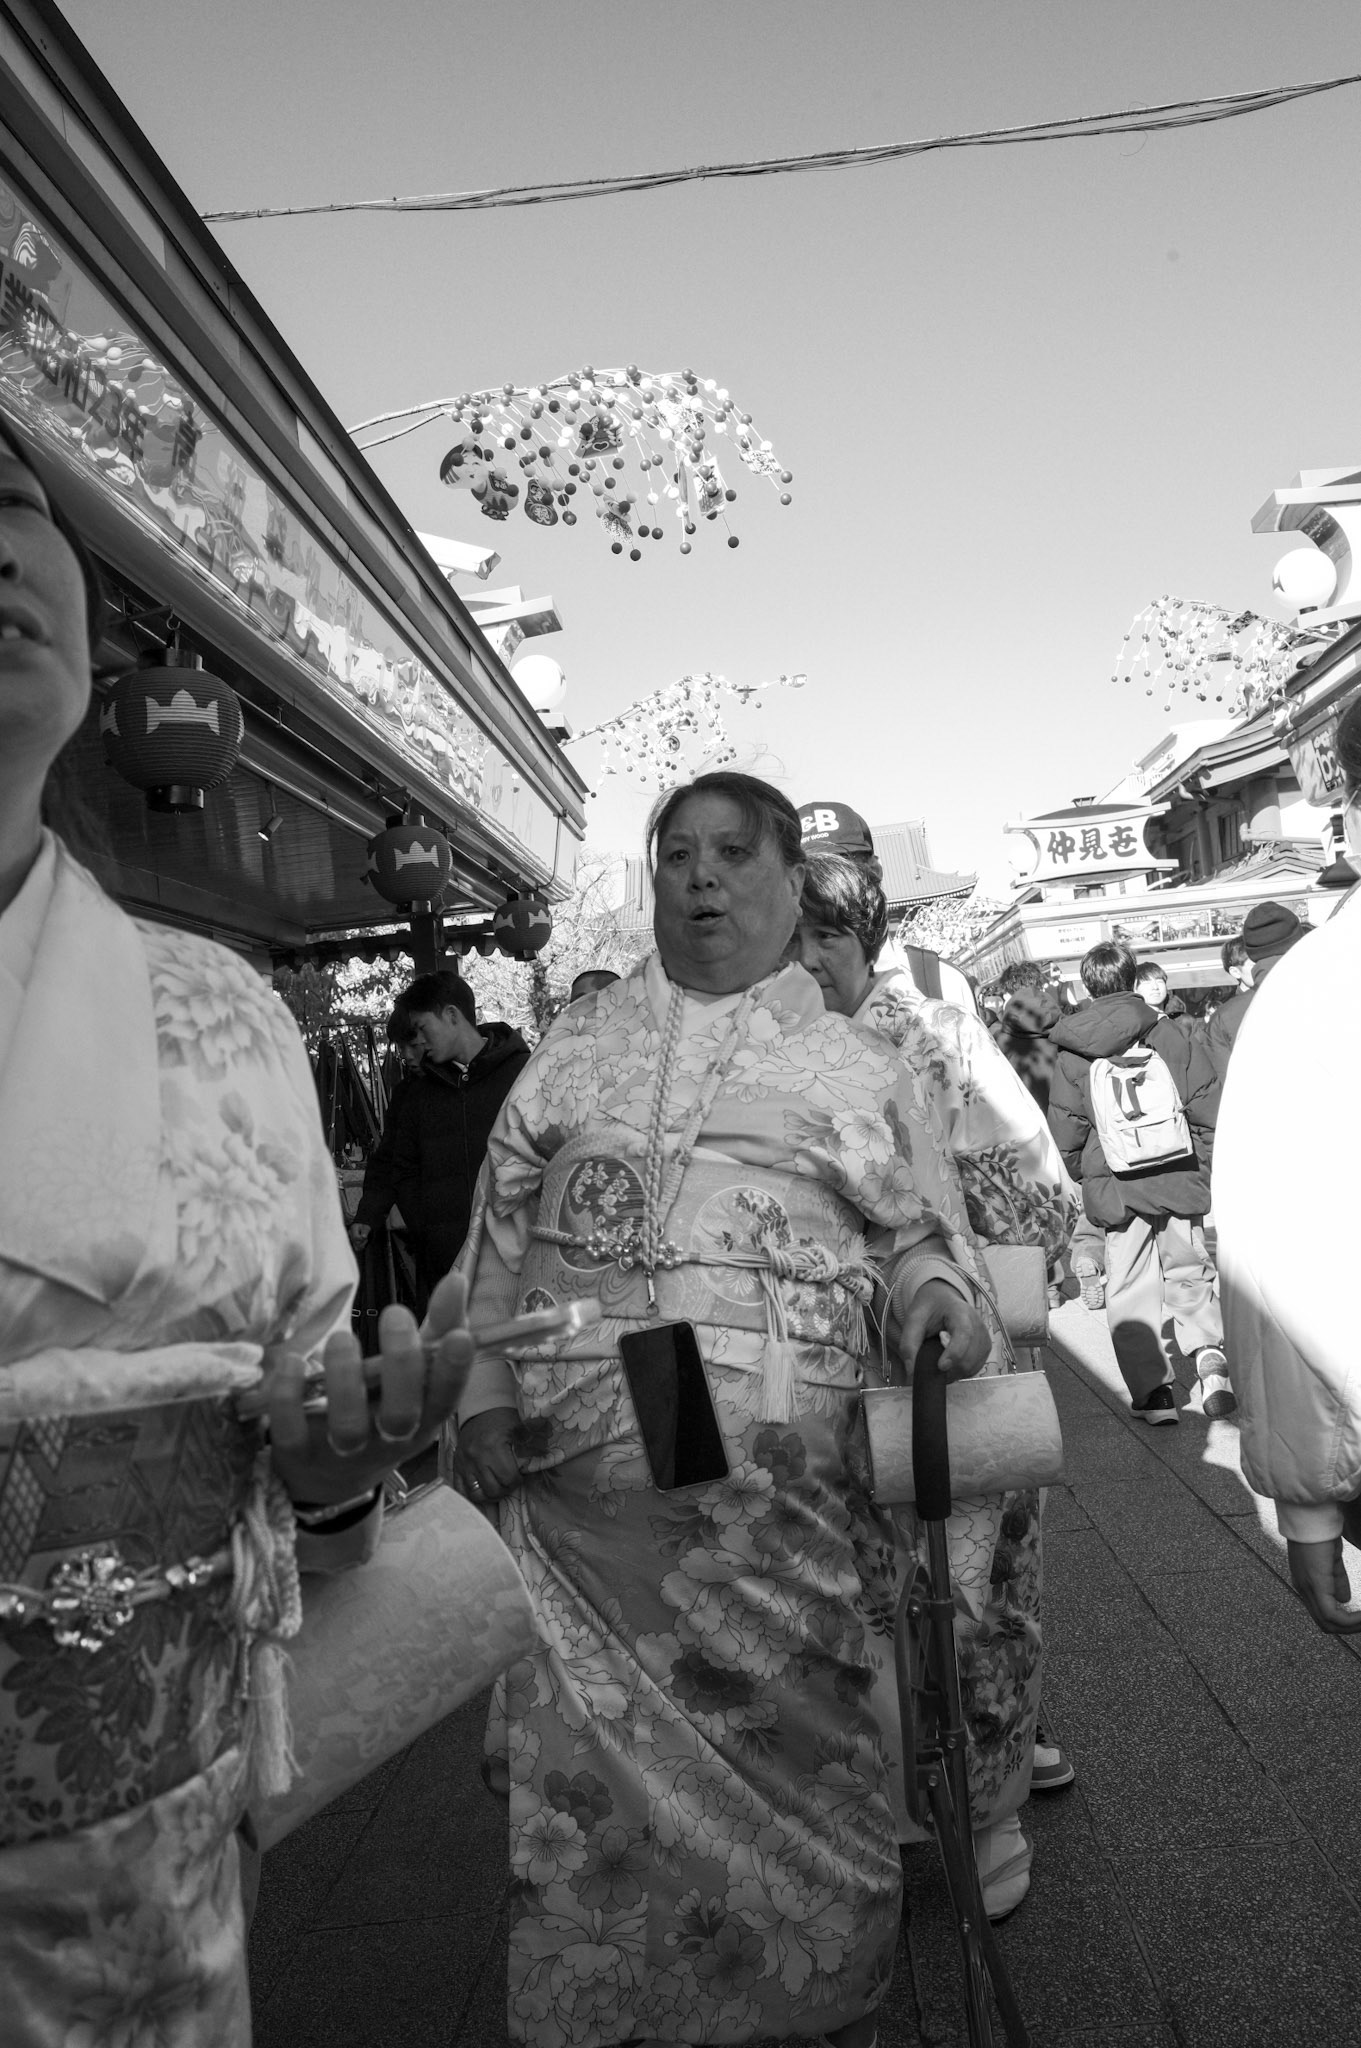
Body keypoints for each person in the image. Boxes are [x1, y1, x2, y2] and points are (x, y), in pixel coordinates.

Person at [0, 417, 472, 2043]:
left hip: (162, 1830)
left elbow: (297, 1409)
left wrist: (343, 1459)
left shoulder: (219, 1006)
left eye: (20, 503)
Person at [453, 772, 993, 2048]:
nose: (698, 876)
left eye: (732, 852)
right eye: (675, 853)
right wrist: (479, 1392)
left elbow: (924, 1241)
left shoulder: (862, 1064)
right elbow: (493, 1244)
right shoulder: (572, 1048)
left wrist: (933, 1300)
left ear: (791, 881)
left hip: (778, 1522)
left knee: (805, 1769)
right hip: (583, 1522)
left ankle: (813, 2010)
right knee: (596, 1809)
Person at [795, 851, 1075, 1918]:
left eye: (826, 935)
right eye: (790, 937)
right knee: (856, 1599)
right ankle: (890, 1809)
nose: (806, 959)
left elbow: (1030, 1192)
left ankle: (988, 1811)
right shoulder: (761, 1051)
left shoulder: (934, 1034)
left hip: (948, 1354)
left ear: (865, 939)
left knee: (977, 1597)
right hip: (821, 1368)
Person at [1216, 699, 1361, 1636]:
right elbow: (1281, 1250)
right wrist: (1306, 1498)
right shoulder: (1319, 984)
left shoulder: (1316, 982)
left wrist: (1309, 1506)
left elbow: (1276, 1247)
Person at [1048, 941, 1227, 1423]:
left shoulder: (1072, 1049)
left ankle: (1156, 1395)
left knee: (1128, 1284)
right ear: (1131, 979)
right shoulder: (1165, 1031)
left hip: (1115, 1181)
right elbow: (1205, 1103)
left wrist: (1087, 1174)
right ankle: (1208, 1354)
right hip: (1176, 1173)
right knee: (1189, 1267)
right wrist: (1202, 1164)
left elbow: (1067, 1128)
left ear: (1088, 985)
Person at [389, 970, 530, 1310]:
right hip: (444, 1263)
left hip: (516, 1259)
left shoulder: (524, 1074)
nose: (420, 1041)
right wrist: (426, 1230)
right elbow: (402, 1167)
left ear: (452, 1015)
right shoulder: (418, 1092)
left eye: (423, 1028)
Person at [798, 797, 979, 1014]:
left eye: (839, 871)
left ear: (875, 870)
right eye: (802, 873)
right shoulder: (769, 1000)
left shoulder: (941, 983)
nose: (819, 886)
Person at [349, 1006, 423, 1254]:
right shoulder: (405, 1095)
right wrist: (367, 1215)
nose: (407, 1056)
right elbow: (388, 1161)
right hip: (426, 1242)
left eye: (414, 1045)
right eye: (401, 1048)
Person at [1204, 904, 1306, 1081]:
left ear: (1251, 952)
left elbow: (1223, 1084)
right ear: (1299, 940)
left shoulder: (1225, 1018)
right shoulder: (1331, 993)